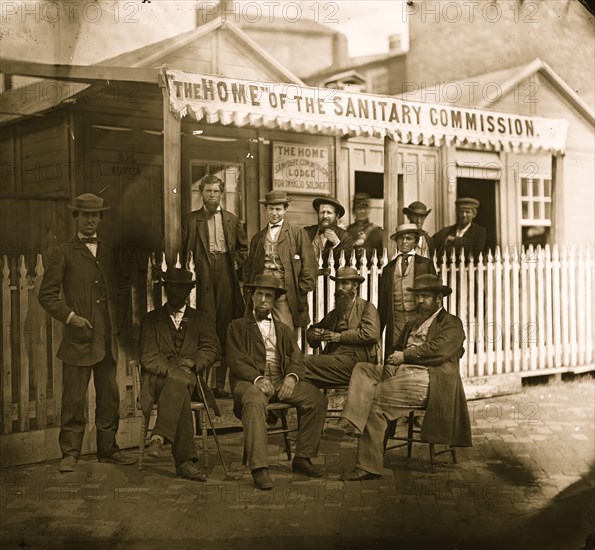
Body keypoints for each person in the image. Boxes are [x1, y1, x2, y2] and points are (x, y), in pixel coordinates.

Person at [334, 274, 473, 481]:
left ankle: (368, 466)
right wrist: (393, 358)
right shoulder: (413, 322)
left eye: (425, 296)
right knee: (363, 369)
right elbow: (397, 346)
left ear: (438, 298)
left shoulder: (451, 323)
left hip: (427, 377)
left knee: (376, 399)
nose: (419, 301)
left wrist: (405, 356)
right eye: (417, 297)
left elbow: (439, 351)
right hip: (401, 371)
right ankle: (354, 420)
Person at [38, 193, 135, 472]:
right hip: (78, 339)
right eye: (84, 215)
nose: (90, 220)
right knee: (74, 399)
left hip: (106, 340)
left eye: (95, 215)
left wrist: (119, 322)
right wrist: (70, 318)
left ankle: (108, 448)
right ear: (76, 217)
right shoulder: (63, 252)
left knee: (109, 396)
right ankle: (70, 452)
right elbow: (47, 295)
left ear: (101, 218)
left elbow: (120, 290)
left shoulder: (110, 252)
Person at [227, 274, 328, 490]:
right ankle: (260, 468)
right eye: (260, 294)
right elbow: (236, 360)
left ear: (274, 301)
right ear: (252, 297)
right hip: (249, 383)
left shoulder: (283, 330)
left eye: (268, 296)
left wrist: (292, 377)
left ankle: (303, 457)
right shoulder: (237, 327)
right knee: (254, 401)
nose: (263, 300)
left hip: (280, 381)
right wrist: (257, 378)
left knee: (316, 399)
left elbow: (297, 357)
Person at [139, 268, 220, 481]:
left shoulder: (202, 319)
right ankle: (184, 463)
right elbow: (148, 355)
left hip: (189, 377)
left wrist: (194, 362)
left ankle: (158, 437)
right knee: (179, 384)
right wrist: (170, 369)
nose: (175, 292)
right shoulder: (150, 320)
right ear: (166, 290)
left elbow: (211, 348)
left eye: (181, 288)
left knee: (181, 383)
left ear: (188, 291)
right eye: (171, 287)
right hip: (158, 380)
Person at [181, 174, 248, 399]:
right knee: (204, 326)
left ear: (221, 194)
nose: (212, 195)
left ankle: (220, 384)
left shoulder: (231, 219)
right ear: (201, 193)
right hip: (202, 273)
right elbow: (182, 251)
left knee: (226, 327)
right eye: (208, 191)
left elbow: (242, 248)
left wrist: (238, 260)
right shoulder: (191, 220)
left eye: (216, 191)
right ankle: (201, 385)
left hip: (226, 273)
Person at [243, 190, 317, 331]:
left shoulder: (297, 233)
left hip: (284, 290)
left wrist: (300, 290)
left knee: (285, 330)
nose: (274, 213)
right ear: (266, 210)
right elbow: (249, 267)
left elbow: (309, 265)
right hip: (262, 289)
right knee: (260, 328)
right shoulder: (258, 237)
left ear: (285, 209)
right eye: (271, 209)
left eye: (278, 209)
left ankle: (285, 354)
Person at [305, 267, 380, 388]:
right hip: (334, 361)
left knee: (300, 362)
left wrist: (340, 337)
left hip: (357, 364)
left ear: (355, 286)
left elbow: (372, 334)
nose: (340, 288)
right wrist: (315, 334)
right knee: (298, 367)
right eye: (338, 284)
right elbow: (312, 330)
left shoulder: (366, 307)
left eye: (345, 283)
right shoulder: (335, 313)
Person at [378, 223, 436, 352]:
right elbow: (383, 303)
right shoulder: (388, 268)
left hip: (417, 317)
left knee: (415, 351)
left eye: (409, 238)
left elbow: (435, 295)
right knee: (394, 353)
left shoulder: (425, 264)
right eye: (401, 238)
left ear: (415, 241)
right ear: (396, 241)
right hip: (396, 319)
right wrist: (379, 331)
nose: (404, 242)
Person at [304, 197, 354, 272]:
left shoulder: (345, 236)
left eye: (329, 213)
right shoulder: (307, 232)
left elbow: (347, 262)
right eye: (322, 212)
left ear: (336, 216)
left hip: (332, 280)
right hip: (309, 279)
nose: (325, 216)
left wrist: (337, 243)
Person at [347, 193, 384, 265]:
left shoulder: (378, 232)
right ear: (353, 211)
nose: (362, 211)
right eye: (359, 208)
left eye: (365, 208)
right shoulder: (348, 231)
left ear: (369, 210)